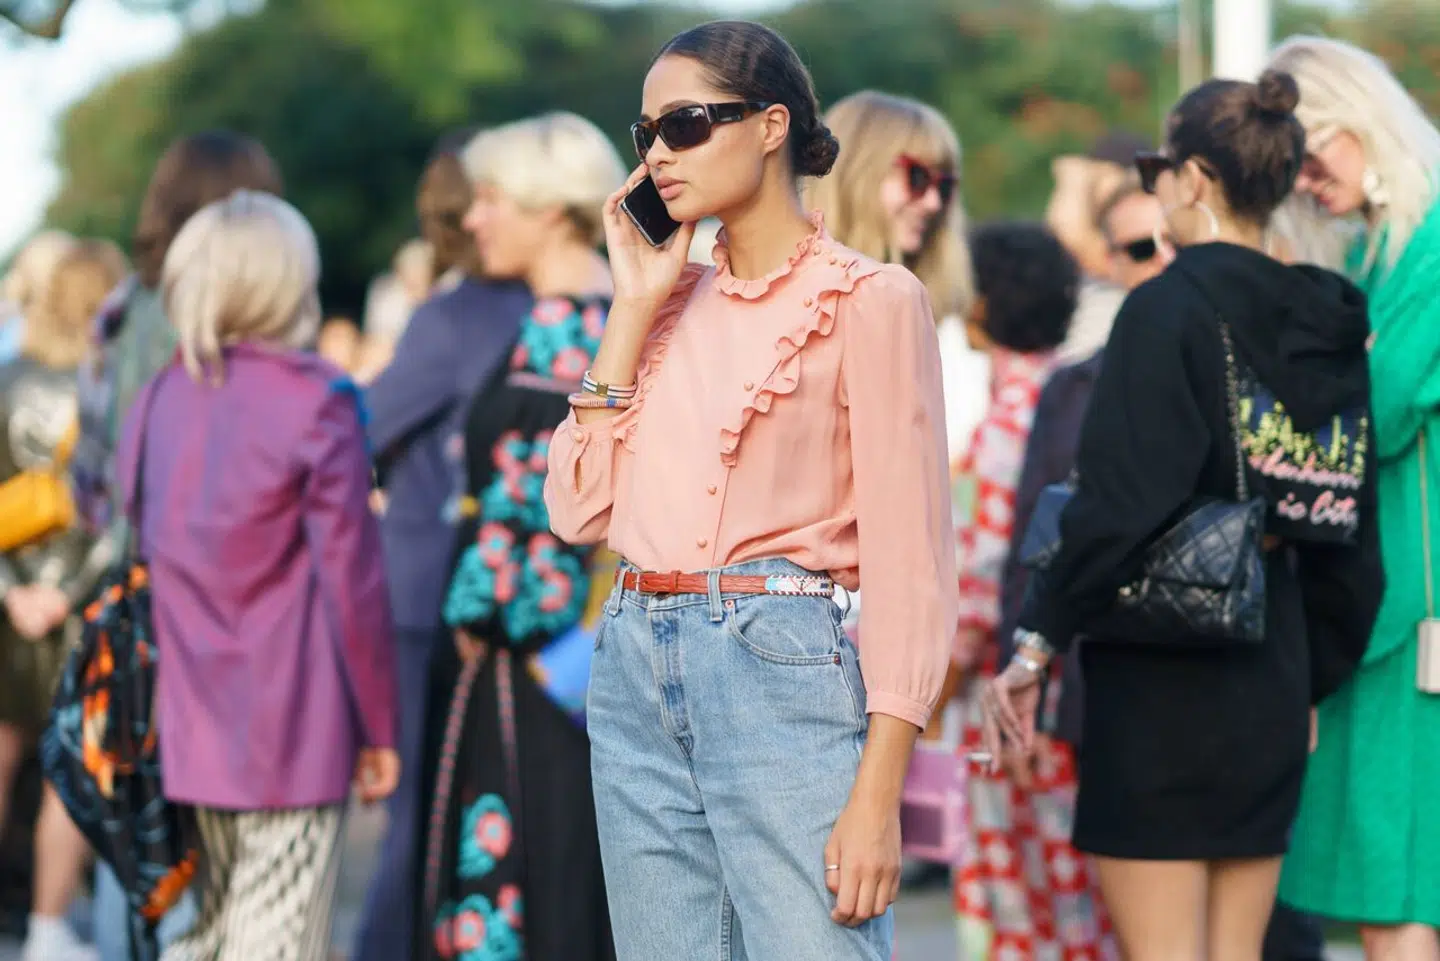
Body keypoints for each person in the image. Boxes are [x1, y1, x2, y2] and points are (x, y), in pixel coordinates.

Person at [543, 20, 955, 961]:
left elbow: (912, 560)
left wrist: (879, 793)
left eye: (684, 125)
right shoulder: (666, 304)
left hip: (777, 664)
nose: (656, 154)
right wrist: (635, 301)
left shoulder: (870, 299)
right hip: (633, 663)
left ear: (772, 125)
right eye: (643, 133)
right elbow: (577, 509)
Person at [981, 70, 1383, 961]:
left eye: (1159, 166)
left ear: (1194, 179)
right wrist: (1310, 673)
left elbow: (1120, 501)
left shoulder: (1165, 309)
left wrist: (1037, 642)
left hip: (1161, 685)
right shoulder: (1327, 316)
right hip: (1274, 674)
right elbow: (1350, 534)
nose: (1155, 182)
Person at [115, 190, 399, 961]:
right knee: (273, 941)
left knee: (209, 933)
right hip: (293, 726)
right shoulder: (318, 398)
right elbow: (354, 582)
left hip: (184, 721)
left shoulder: (156, 398)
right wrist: (379, 724)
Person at [69, 129, 284, 961]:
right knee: (220, 836)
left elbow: (91, 482)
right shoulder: (237, 319)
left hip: (126, 586)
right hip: (221, 602)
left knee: (140, 826)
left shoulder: (120, 308)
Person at [416, 111, 623, 961]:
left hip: (533, 663)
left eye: (491, 198)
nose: (472, 219)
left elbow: (532, 513)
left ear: (550, 208)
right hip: (594, 656)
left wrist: (482, 613)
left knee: (526, 884)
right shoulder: (616, 314)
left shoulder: (561, 329)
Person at [1265, 35, 1440, 961]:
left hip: (1411, 617)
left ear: (1349, 121)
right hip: (1381, 609)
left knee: (1397, 873)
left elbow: (1379, 407)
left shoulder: (1428, 243)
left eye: (1308, 157)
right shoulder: (1384, 248)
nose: (1302, 182)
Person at [352, 132, 533, 961]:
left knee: (421, 820)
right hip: (518, 595)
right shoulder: (553, 308)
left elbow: (360, 431)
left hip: (432, 593)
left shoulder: (454, 316)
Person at [943, 223, 1095, 961]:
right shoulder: (1075, 392)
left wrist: (925, 703)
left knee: (1023, 905)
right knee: (1079, 899)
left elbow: (982, 590)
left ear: (983, 301)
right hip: (1074, 686)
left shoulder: (1009, 420)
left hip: (1013, 695)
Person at [0, 239, 126, 961]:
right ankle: (48, 927)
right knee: (69, 770)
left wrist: (16, 592)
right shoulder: (111, 386)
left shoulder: (5, 375)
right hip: (80, 607)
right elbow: (116, 518)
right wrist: (64, 592)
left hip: (8, 605)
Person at [803, 88, 977, 464]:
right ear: (856, 171)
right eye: (917, 177)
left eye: (945, 186)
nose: (933, 202)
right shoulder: (789, 309)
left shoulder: (936, 319)